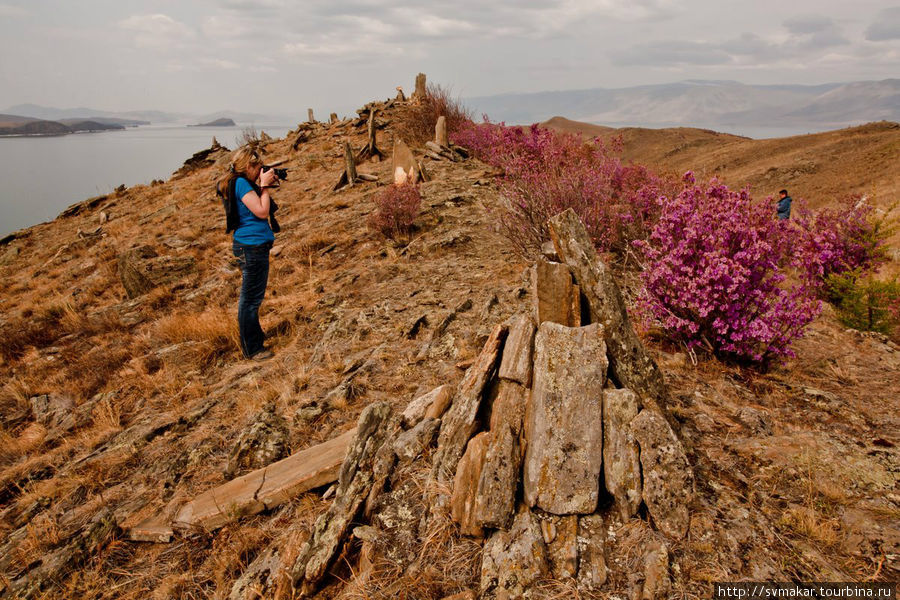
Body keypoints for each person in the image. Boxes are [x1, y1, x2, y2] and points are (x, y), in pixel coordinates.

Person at [221, 146, 279, 360]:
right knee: (250, 300)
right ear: (249, 166)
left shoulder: (239, 183)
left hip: (253, 245)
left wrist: (263, 185)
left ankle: (255, 340)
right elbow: (262, 212)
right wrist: (264, 187)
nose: (260, 171)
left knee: (252, 298)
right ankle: (253, 349)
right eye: (258, 167)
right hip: (251, 246)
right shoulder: (241, 183)